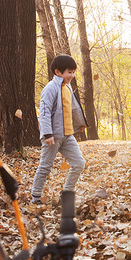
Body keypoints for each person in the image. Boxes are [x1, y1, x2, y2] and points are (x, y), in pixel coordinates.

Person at [30, 54, 87, 205]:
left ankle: (67, 193)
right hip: (53, 136)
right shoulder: (50, 88)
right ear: (58, 72)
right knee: (45, 167)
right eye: (69, 72)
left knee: (79, 163)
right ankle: (35, 197)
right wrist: (47, 133)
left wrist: (79, 123)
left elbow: (72, 108)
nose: (72, 75)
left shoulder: (67, 87)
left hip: (68, 136)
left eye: (73, 72)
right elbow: (44, 112)